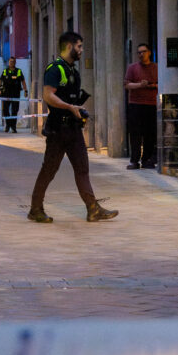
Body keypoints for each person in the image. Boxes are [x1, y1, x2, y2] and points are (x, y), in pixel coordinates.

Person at [28, 31, 118, 223]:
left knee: (82, 168)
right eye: (79, 46)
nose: (81, 50)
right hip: (58, 130)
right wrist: (69, 107)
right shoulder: (55, 69)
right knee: (49, 170)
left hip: (73, 129)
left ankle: (93, 209)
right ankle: (35, 209)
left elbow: (69, 98)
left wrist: (77, 108)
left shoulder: (73, 71)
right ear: (69, 46)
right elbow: (48, 95)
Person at [124, 43, 158, 169]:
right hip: (136, 104)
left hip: (151, 104)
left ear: (149, 52)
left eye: (143, 51)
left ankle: (147, 159)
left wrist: (151, 85)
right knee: (135, 134)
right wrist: (140, 85)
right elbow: (127, 85)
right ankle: (134, 160)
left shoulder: (156, 68)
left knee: (150, 134)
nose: (141, 54)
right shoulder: (132, 68)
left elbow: (162, 84)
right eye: (139, 52)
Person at [0, 57, 27, 133]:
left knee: (15, 110)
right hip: (6, 93)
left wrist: (26, 91)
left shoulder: (18, 71)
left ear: (15, 63)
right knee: (5, 110)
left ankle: (13, 127)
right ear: (8, 62)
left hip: (15, 93)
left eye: (13, 61)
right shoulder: (5, 71)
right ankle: (8, 125)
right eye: (10, 61)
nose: (11, 63)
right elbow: (0, 80)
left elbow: (23, 81)